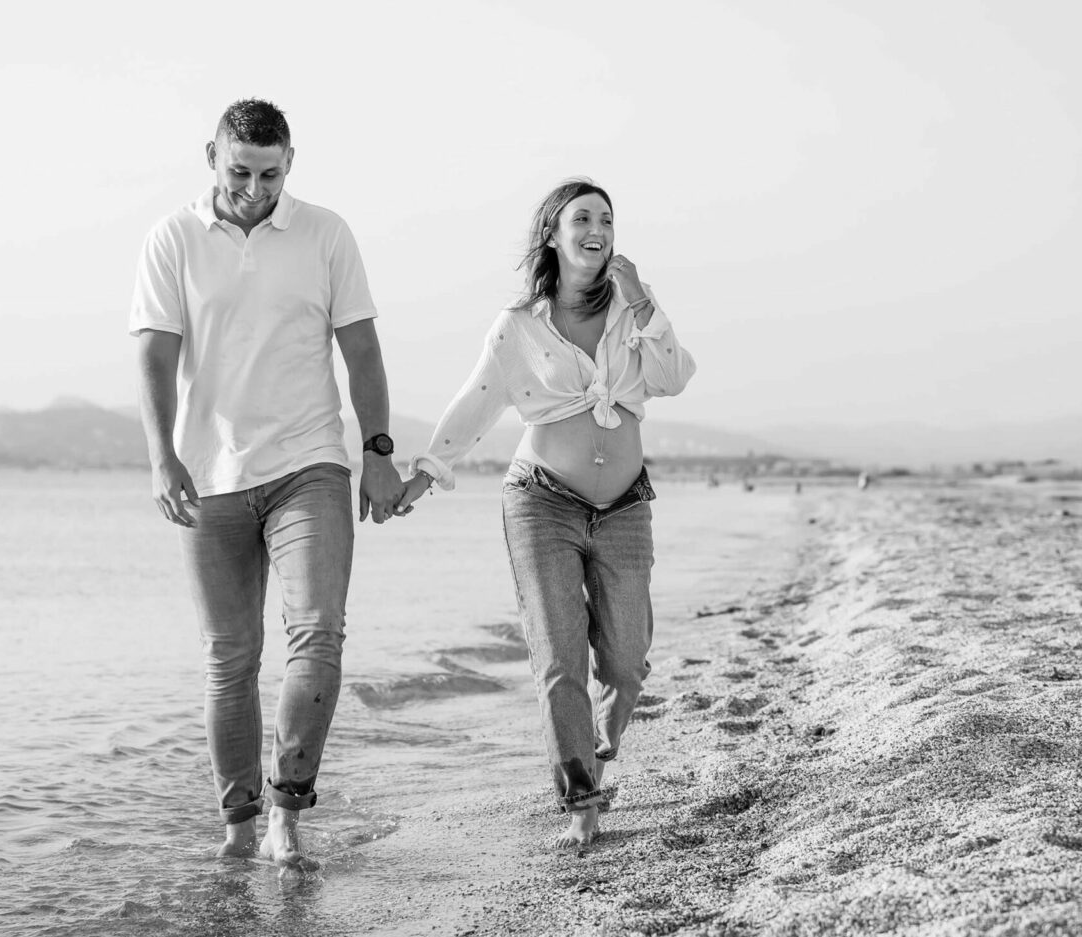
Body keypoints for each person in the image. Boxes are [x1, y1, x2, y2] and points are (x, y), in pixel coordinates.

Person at [129, 98, 404, 871]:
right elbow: (153, 355)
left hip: (310, 462)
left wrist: (377, 450)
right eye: (240, 172)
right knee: (230, 656)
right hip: (211, 475)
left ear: (291, 162)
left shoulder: (325, 233)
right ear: (210, 157)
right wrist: (161, 456)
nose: (256, 188)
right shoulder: (172, 239)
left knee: (317, 633)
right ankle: (238, 825)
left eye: (271, 173)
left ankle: (288, 808)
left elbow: (363, 351)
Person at [395, 179, 695, 847]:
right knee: (559, 658)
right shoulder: (519, 326)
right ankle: (582, 803)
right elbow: (474, 404)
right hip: (541, 503)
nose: (598, 227)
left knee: (626, 661)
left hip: (624, 508)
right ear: (553, 236)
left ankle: (597, 742)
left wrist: (644, 297)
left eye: (607, 219)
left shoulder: (633, 311)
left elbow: (674, 377)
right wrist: (425, 474)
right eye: (582, 217)